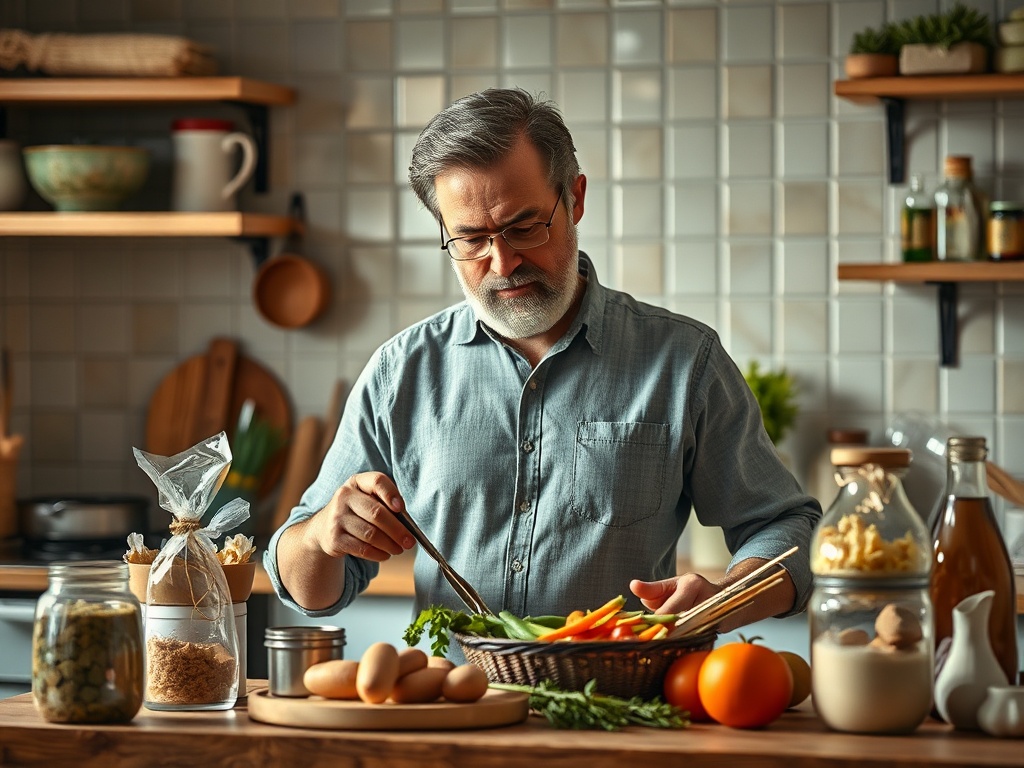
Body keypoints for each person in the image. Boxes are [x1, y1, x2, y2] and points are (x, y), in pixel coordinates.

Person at [266, 88, 821, 647]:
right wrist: (319, 538)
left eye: (525, 226)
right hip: (449, 715)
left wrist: (723, 600)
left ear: (574, 198)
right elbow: (307, 587)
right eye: (472, 239)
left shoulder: (683, 362)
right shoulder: (400, 373)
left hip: (624, 718)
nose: (503, 263)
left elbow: (788, 528)